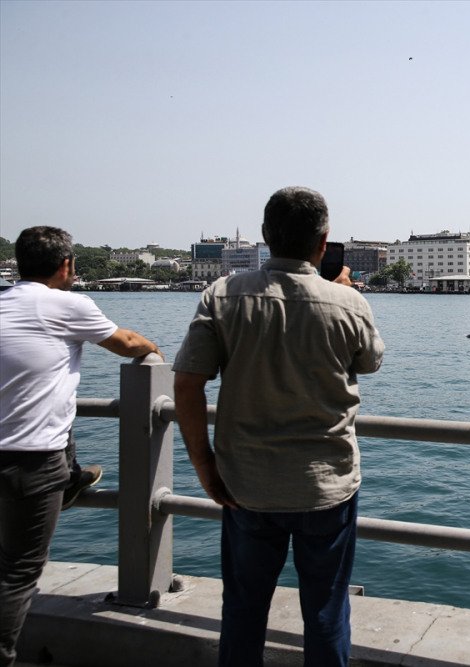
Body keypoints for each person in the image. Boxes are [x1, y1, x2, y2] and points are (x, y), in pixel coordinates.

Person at [173, 187, 384, 667]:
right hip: (326, 486)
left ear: (266, 237)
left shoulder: (223, 295)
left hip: (245, 484)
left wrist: (205, 467)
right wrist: (345, 296)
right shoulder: (347, 304)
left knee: (244, 609)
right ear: (324, 242)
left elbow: (187, 384)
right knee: (327, 612)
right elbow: (369, 362)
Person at [0, 226, 163, 667]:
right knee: (18, 572)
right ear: (67, 265)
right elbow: (125, 343)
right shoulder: (68, 304)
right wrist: (155, 352)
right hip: (30, 461)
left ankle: (71, 478)